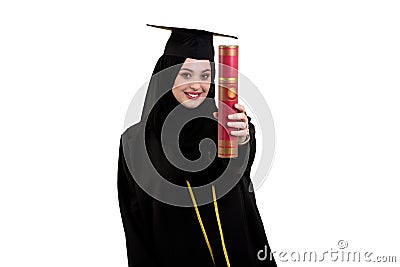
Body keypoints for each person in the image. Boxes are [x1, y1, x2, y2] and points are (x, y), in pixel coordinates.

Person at [117, 24, 277, 267]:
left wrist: (243, 137)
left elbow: (238, 174)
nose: (197, 85)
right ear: (168, 74)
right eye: (186, 74)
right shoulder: (135, 143)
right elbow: (135, 221)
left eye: (205, 75)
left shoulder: (222, 126)